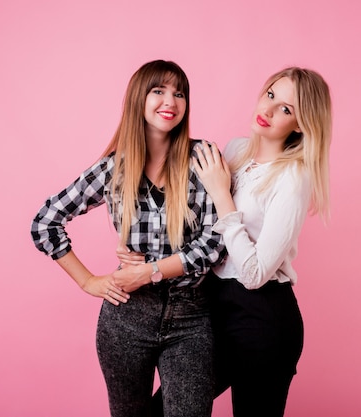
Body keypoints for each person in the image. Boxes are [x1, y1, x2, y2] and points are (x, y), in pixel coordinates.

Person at [121, 66, 332, 417]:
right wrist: (136, 244)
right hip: (211, 306)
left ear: (301, 124)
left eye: (286, 109)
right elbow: (192, 218)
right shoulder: (234, 151)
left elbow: (254, 274)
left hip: (262, 317)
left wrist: (222, 193)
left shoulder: (293, 178)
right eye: (270, 96)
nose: (267, 111)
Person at [30, 60, 226, 417]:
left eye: (179, 93)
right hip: (126, 318)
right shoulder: (113, 169)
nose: (171, 101)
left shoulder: (204, 158)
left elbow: (215, 243)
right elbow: (45, 223)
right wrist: (88, 281)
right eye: (159, 91)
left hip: (191, 319)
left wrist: (150, 270)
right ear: (139, 98)